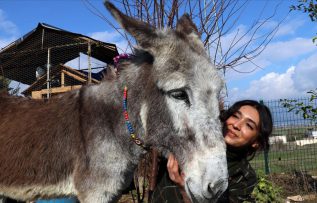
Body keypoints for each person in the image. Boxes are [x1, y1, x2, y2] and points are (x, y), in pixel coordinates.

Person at [151, 100, 273, 203]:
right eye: (235, 116)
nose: (236, 125)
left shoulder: (244, 177)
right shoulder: (191, 140)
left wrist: (184, 189)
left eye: (249, 125)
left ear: (256, 141)